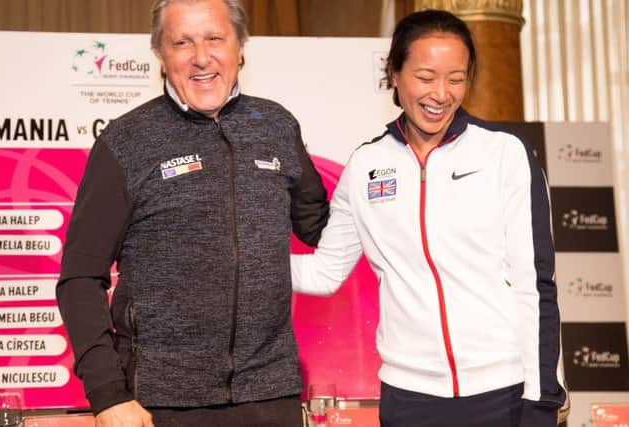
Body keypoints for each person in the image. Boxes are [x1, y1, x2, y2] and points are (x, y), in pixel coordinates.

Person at [55, 0, 329, 426]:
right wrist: (108, 395)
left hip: (271, 395)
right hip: (157, 403)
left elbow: (322, 229)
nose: (202, 57)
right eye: (182, 42)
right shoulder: (125, 141)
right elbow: (79, 277)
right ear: (161, 55)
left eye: (215, 38)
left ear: (240, 46)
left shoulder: (277, 126)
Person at [291, 9, 565, 427]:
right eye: (425, 76)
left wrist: (541, 398)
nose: (441, 93)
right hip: (409, 400)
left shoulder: (505, 155)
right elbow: (326, 272)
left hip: (503, 393)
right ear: (394, 74)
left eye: (456, 78)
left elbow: (535, 285)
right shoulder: (366, 165)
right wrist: (234, 261)